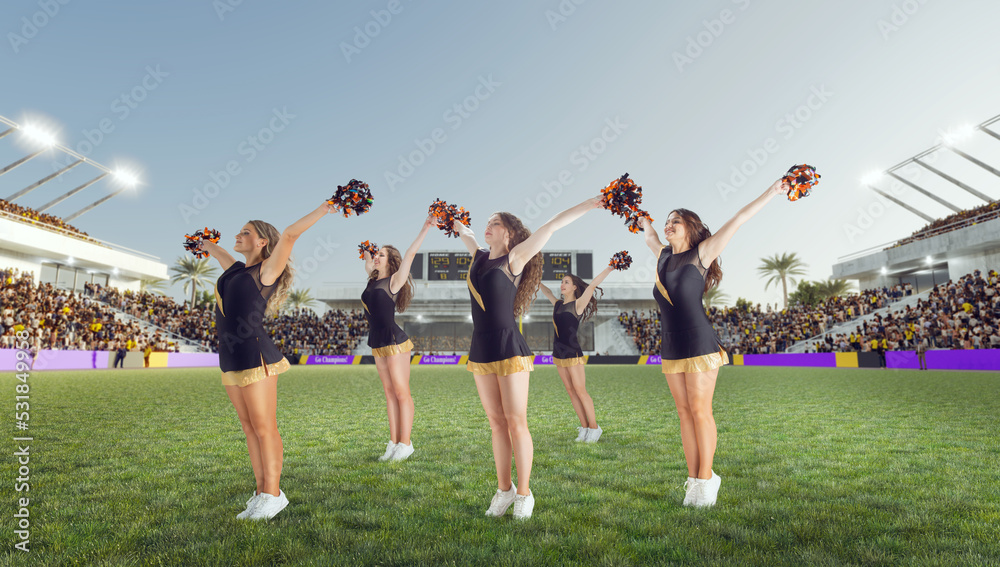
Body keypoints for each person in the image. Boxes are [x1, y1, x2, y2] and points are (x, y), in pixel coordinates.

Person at [637, 176, 789, 508]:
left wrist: (773, 191)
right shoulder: (662, 256)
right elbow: (647, 232)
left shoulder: (701, 253)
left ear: (691, 228)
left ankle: (706, 480)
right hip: (671, 346)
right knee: (683, 413)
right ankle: (694, 480)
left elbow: (739, 218)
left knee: (700, 411)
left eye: (676, 221)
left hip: (700, 343)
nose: (668, 226)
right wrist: (637, 212)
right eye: (667, 222)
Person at [453, 197, 602, 520]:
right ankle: (503, 490)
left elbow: (552, 224)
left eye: (495, 222)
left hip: (509, 347)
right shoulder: (477, 255)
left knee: (516, 421)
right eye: (487, 222)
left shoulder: (515, 258)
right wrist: (442, 218)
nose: (487, 226)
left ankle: (524, 493)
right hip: (480, 347)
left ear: (509, 233)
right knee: (496, 423)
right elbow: (462, 229)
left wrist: (590, 204)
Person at [199, 202, 335, 521]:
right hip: (230, 356)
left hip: (255, 353)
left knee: (264, 427)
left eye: (246, 232)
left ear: (262, 242)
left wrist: (325, 208)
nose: (239, 234)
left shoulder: (267, 270)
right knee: (248, 427)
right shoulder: (235, 271)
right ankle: (261, 493)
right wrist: (204, 244)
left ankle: (273, 494)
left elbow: (289, 234)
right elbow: (221, 256)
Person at [362, 215, 435, 462]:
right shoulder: (372, 279)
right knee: (389, 393)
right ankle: (393, 442)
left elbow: (411, 254)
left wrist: (424, 228)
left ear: (391, 261)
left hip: (395, 341)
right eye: (376, 254)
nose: (376, 257)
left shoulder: (394, 280)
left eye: (381, 254)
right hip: (378, 343)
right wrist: (367, 251)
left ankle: (406, 443)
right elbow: (366, 258)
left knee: (402, 392)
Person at [537, 263, 618, 443]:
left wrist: (610, 268)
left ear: (574, 287)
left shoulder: (578, 304)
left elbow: (591, 285)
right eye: (562, 282)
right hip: (558, 353)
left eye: (566, 282)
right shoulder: (557, 304)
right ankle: (584, 427)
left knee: (581, 391)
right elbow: (548, 292)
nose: (562, 285)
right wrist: (534, 280)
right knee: (570, 391)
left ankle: (595, 428)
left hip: (573, 353)